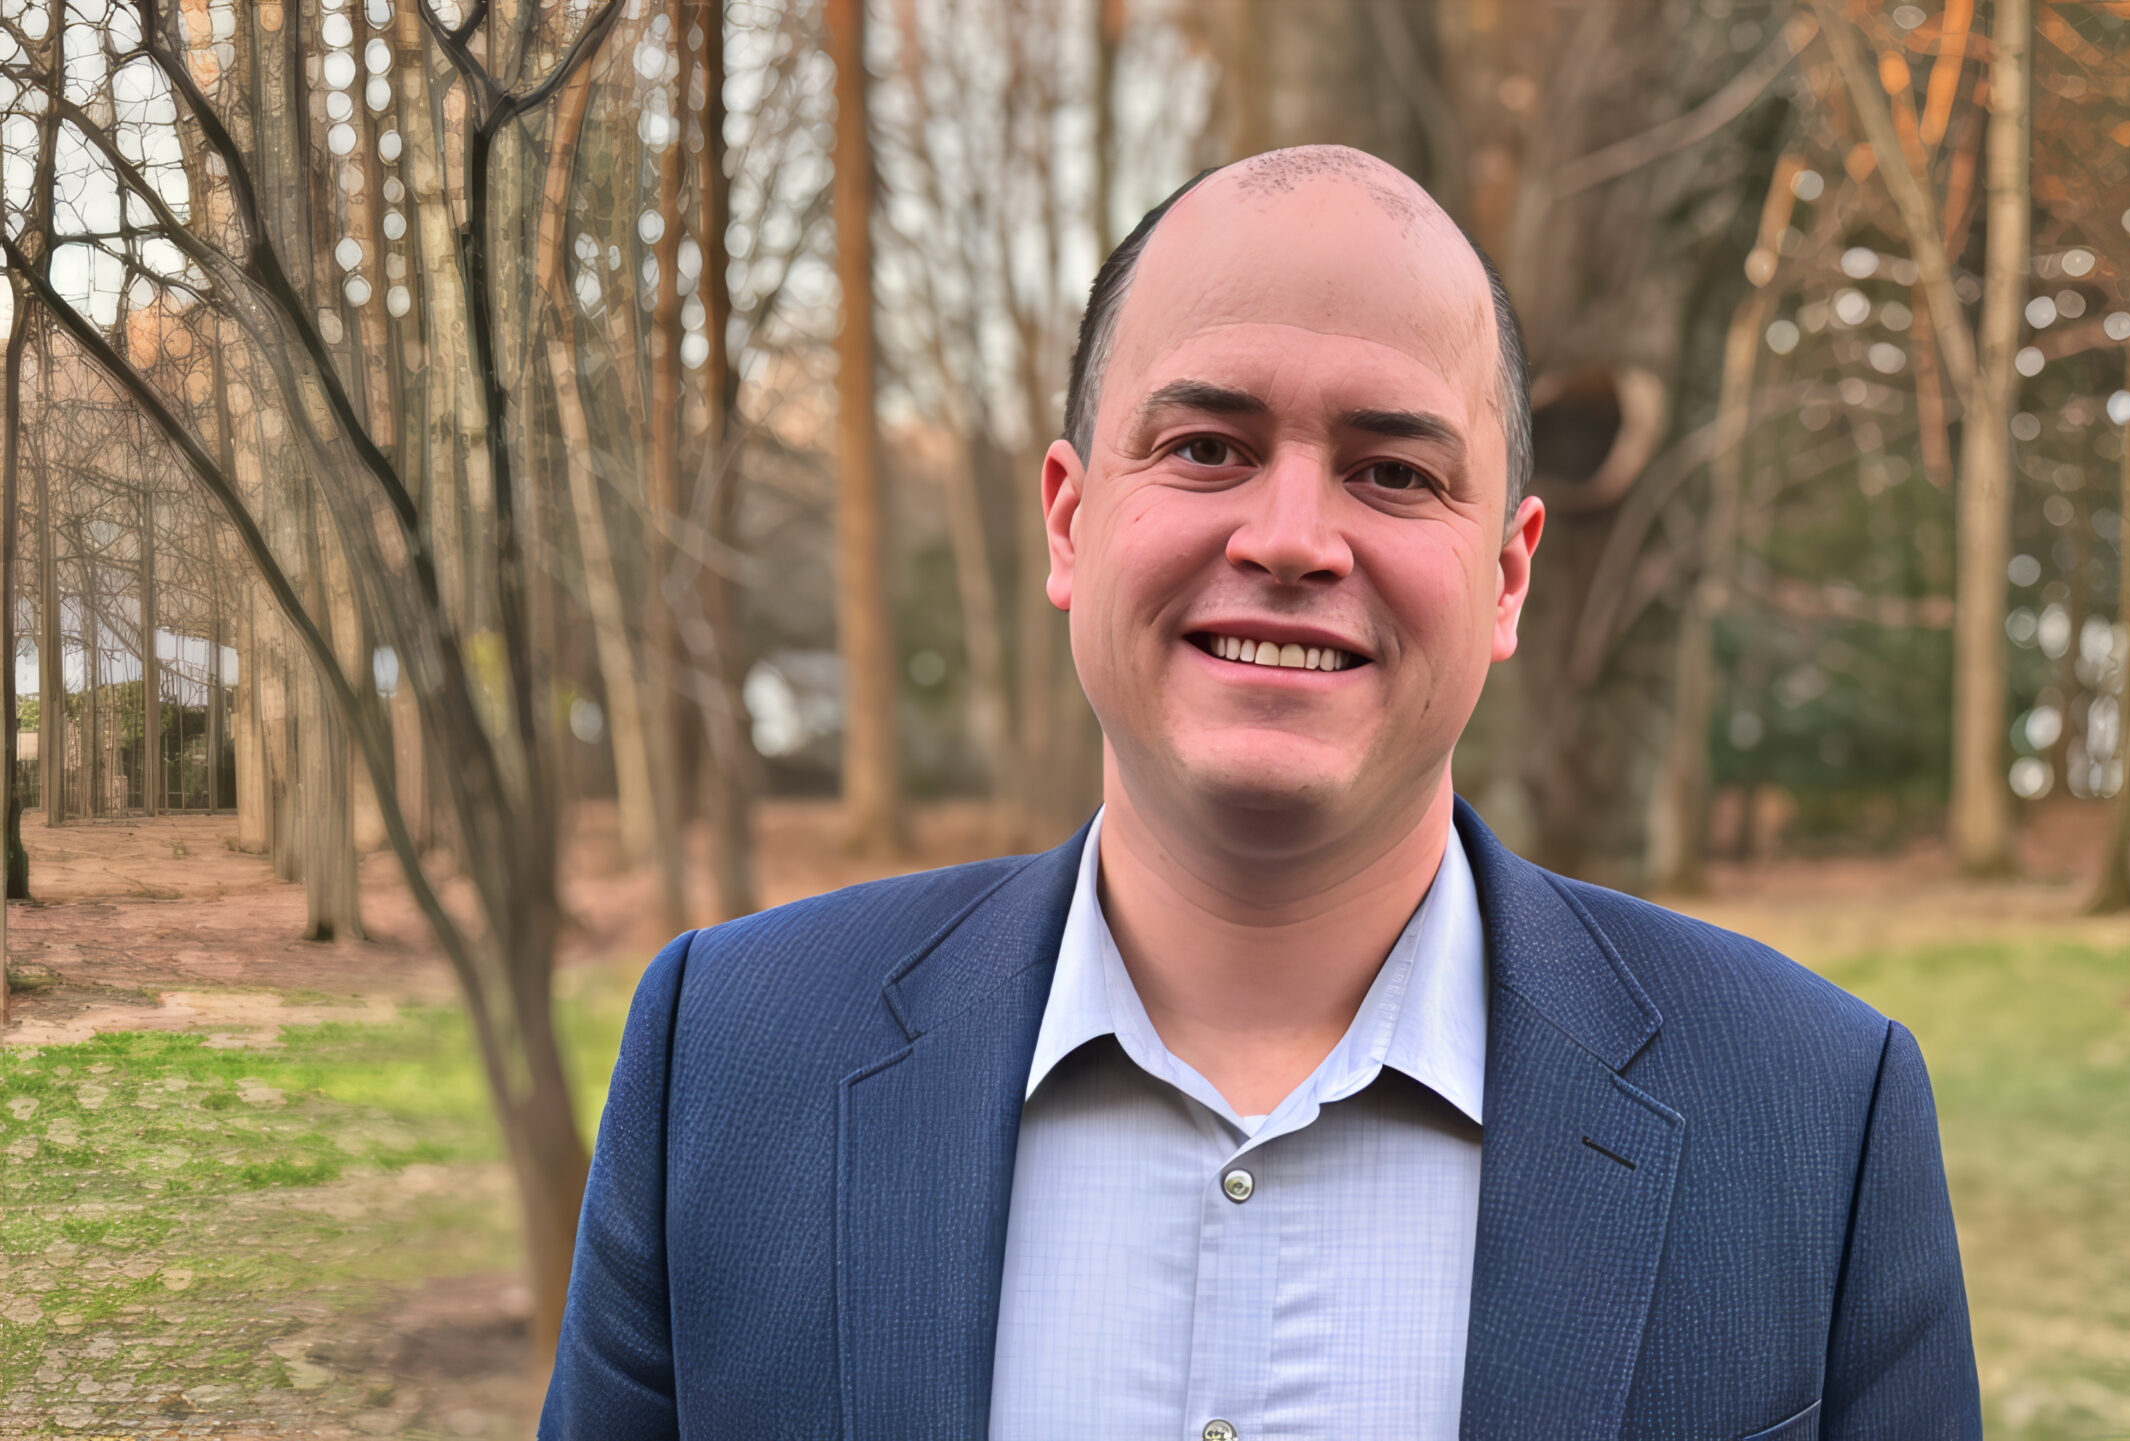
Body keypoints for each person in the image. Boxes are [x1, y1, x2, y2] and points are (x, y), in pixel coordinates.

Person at [541, 144, 1978, 1441]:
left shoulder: (1812, 1124)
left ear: (1508, 576)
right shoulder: (725, 1066)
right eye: (1207, 448)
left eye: (1393, 471)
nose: (1292, 539)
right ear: (1070, 521)